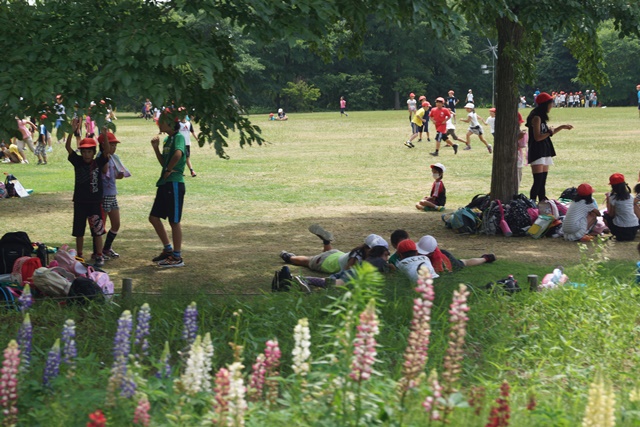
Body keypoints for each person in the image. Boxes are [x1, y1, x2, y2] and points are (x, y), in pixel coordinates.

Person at [65, 119, 109, 267]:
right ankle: (79, 255)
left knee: (97, 231)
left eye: (89, 151)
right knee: (79, 231)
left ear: (93, 152)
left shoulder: (98, 162)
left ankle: (99, 254)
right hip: (80, 202)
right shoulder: (77, 161)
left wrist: (104, 135)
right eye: (83, 151)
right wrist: (73, 131)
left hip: (95, 202)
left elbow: (107, 151)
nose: (86, 154)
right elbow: (68, 147)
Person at [149, 108, 188, 267]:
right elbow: (164, 162)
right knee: (153, 217)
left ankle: (177, 257)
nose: (159, 122)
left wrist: (168, 170)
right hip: (165, 183)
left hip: (174, 182)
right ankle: (168, 249)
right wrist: (156, 148)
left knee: (174, 221)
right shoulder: (167, 140)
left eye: (162, 120)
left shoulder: (178, 137)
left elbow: (178, 154)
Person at [280, 225, 388, 274]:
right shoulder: (356, 258)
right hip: (328, 262)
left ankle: (326, 241)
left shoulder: (360, 253)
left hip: (336, 255)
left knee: (324, 255)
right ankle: (289, 257)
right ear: (367, 249)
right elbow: (346, 272)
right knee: (308, 261)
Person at [525, 92, 573, 203]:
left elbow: (547, 133)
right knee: (537, 181)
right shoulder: (536, 117)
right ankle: (532, 203)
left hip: (545, 150)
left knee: (542, 181)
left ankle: (542, 202)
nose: (551, 106)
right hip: (537, 151)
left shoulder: (541, 117)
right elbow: (537, 137)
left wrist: (562, 127)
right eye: (550, 103)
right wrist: (549, 132)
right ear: (544, 104)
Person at [98, 132, 125, 259]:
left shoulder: (114, 157)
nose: (114, 148)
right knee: (101, 225)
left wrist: (119, 175)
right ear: (103, 145)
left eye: (115, 145)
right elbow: (104, 170)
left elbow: (114, 174)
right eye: (111, 145)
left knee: (116, 224)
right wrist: (107, 156)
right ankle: (98, 252)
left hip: (112, 194)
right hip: (103, 195)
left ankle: (107, 248)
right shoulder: (102, 157)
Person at [416, 235, 496, 273]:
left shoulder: (439, 261)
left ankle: (486, 258)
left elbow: (442, 274)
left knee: (464, 262)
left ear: (431, 253)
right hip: (442, 253)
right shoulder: (420, 248)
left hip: (447, 259)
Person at [604, 173, 638, 241]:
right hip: (634, 226)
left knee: (606, 216)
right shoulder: (631, 197)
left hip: (621, 228)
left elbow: (611, 214)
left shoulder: (613, 198)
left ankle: (614, 233)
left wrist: (608, 200)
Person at [516, 112, 528, 190]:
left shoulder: (517, 130)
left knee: (518, 177)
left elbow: (522, 145)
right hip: (514, 159)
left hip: (518, 157)